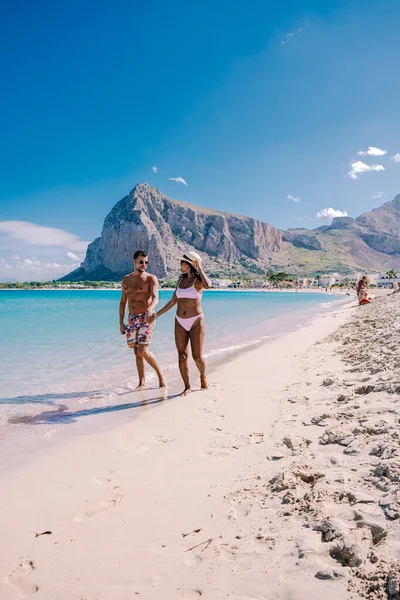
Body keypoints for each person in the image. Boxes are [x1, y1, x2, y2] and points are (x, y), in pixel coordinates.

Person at [150, 251, 211, 396]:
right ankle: (187, 386)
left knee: (197, 357)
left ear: (190, 265)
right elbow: (173, 301)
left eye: (183, 262)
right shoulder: (180, 281)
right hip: (180, 321)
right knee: (182, 356)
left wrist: (200, 268)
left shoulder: (198, 282)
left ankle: (203, 376)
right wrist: (157, 314)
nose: (181, 265)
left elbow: (208, 286)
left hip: (196, 321)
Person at [119, 250, 166, 390]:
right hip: (131, 318)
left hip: (146, 317)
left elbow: (156, 298)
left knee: (142, 350)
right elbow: (123, 302)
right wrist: (121, 323)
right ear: (133, 262)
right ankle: (142, 382)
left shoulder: (151, 278)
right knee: (136, 351)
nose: (144, 264)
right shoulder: (126, 279)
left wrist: (151, 309)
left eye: (146, 262)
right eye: (141, 262)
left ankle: (161, 376)